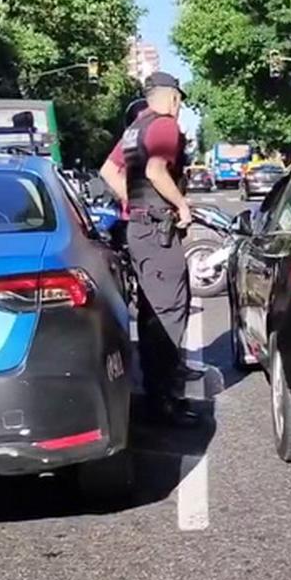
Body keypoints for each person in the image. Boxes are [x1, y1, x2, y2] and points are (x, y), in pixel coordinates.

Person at [99, 73, 202, 426]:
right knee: (169, 311)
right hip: (157, 233)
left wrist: (134, 205)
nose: (179, 107)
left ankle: (155, 390)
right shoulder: (164, 126)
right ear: (172, 98)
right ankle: (165, 402)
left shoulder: (135, 129)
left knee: (150, 311)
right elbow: (157, 170)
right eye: (179, 101)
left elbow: (108, 171)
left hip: (140, 231)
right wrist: (181, 206)